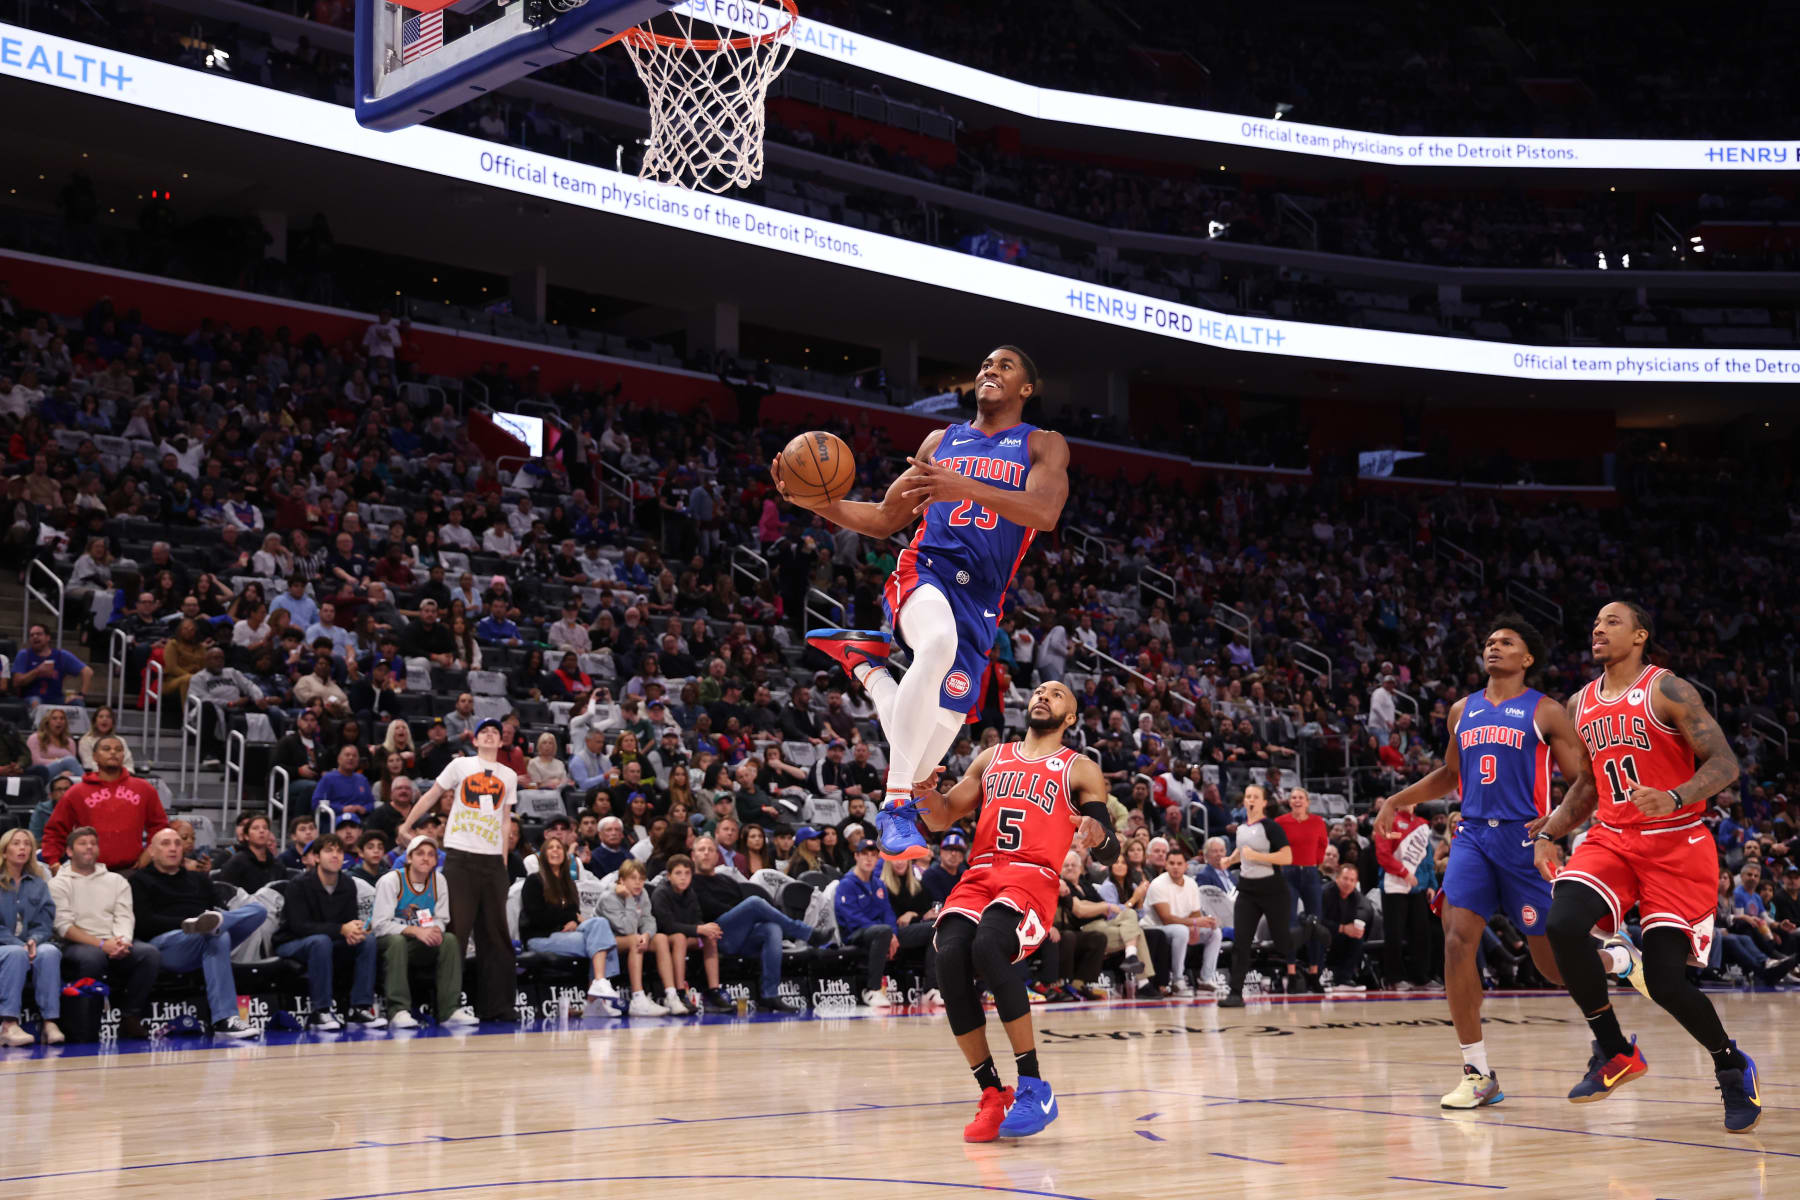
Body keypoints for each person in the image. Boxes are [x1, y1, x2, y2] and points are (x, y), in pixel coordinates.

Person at [781, 347, 1070, 863]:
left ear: (1027, 389)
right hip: (927, 570)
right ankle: (893, 809)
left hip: (982, 599)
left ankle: (868, 668)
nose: (988, 370)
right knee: (935, 645)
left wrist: (965, 486)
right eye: (983, 363)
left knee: (922, 754)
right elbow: (884, 517)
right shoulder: (941, 441)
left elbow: (1045, 512)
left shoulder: (1042, 445)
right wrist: (813, 501)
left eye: (1004, 366)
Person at [1375, 615, 1626, 1109]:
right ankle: (1478, 1072)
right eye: (1490, 642)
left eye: (1506, 642)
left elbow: (1583, 784)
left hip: (1524, 840)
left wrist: (1556, 828)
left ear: (1527, 658)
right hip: (1471, 838)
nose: (1494, 647)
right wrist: (1397, 800)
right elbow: (1450, 774)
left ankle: (1615, 958)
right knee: (1455, 943)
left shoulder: (1548, 711)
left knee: (1552, 968)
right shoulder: (1460, 711)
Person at [1533, 601, 1764, 1132]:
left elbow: (1725, 762)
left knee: (1664, 982)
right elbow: (1588, 787)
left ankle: (1731, 1064)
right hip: (1613, 838)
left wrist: (1677, 795)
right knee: (1563, 923)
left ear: (1639, 636)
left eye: (1611, 621)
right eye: (1594, 621)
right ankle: (1614, 1050)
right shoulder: (1580, 703)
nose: (1597, 627)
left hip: (1676, 844)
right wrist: (1549, 832)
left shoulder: (1668, 689)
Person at [913, 680, 1119, 1142]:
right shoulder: (991, 758)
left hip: (1032, 877)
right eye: (1040, 690)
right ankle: (992, 1092)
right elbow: (941, 817)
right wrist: (924, 790)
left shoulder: (1080, 768)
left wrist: (1095, 832)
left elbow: (1107, 843)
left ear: (1070, 718)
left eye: (1057, 694)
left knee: (990, 944)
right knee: (948, 956)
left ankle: (1034, 1085)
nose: (1043, 695)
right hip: (980, 872)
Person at [399, 717, 518, 1023]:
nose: (490, 735)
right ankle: (448, 1006)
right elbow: (431, 795)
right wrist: (408, 824)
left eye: (495, 732)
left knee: (497, 936)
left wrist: (503, 860)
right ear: (475, 740)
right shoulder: (461, 765)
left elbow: (506, 820)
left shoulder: (509, 774)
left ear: (502, 741)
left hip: (492, 862)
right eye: (484, 732)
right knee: (457, 933)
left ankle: (499, 1007)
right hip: (460, 857)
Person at [130, 828, 262, 1038]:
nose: (173, 848)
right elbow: (144, 924)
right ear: (152, 852)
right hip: (168, 944)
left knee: (258, 911)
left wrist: (213, 922)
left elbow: (218, 907)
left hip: (207, 936)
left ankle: (209, 925)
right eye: (165, 843)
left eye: (177, 843)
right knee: (217, 933)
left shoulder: (199, 879)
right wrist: (186, 924)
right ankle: (225, 1019)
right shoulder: (139, 881)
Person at [50, 826, 162, 1039]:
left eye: (93, 843)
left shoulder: (116, 881)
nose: (89, 847)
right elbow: (63, 926)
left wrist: (122, 942)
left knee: (149, 954)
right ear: (70, 851)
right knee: (91, 957)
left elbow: (124, 916)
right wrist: (101, 944)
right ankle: (86, 1025)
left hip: (114, 940)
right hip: (76, 944)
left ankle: (131, 1016)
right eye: (83, 843)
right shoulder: (58, 883)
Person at [688, 836, 815, 1013]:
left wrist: (742, 915)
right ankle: (805, 933)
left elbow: (740, 909)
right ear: (693, 856)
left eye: (710, 850)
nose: (706, 853)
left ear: (717, 856)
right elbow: (709, 909)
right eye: (702, 850)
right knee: (754, 903)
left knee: (772, 928)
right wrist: (742, 913)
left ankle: (769, 995)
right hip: (714, 938)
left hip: (740, 936)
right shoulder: (691, 883)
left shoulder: (728, 881)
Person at [274, 833, 386, 1030]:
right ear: (316, 857)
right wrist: (342, 929)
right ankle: (321, 1011)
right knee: (320, 941)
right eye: (328, 851)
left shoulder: (348, 884)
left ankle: (360, 1008)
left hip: (328, 940)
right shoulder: (298, 884)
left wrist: (355, 931)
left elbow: (348, 923)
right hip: (291, 942)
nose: (335, 856)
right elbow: (299, 926)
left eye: (339, 851)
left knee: (367, 941)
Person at [373, 834, 476, 1028]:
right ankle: (399, 1010)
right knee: (397, 942)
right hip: (385, 944)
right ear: (409, 858)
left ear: (436, 860)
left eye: (431, 854)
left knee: (449, 940)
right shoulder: (391, 881)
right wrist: (415, 930)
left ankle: (449, 1011)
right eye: (420, 853)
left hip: (416, 944)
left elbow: (442, 918)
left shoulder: (439, 880)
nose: (426, 858)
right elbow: (380, 925)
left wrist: (435, 930)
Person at [520, 833, 624, 1010]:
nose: (555, 851)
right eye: (551, 848)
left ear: (565, 854)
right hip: (540, 937)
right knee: (604, 943)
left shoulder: (568, 883)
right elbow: (538, 916)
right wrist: (568, 919)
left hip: (566, 935)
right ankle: (596, 997)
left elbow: (574, 912)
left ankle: (598, 985)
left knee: (599, 924)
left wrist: (574, 921)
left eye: (559, 847)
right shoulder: (534, 881)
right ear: (543, 854)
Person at [1216, 784, 1296, 1006]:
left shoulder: (1271, 827)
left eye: (1255, 797)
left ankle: (1309, 929)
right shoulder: (1241, 828)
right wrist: (1229, 860)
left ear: (1263, 802)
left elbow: (1287, 857)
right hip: (1248, 892)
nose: (1251, 800)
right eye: (1248, 796)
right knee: (1241, 942)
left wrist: (1259, 857)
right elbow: (1242, 852)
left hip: (1273, 890)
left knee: (1282, 942)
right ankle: (1235, 993)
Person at [39, 735, 169, 870]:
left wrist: (149, 853)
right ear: (94, 756)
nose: (113, 752)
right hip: (88, 871)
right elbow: (55, 831)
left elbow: (160, 827)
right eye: (106, 749)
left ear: (123, 756)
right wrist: (53, 861)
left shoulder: (144, 789)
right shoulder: (76, 792)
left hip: (132, 871)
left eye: (118, 749)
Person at [0, 829, 61, 1046]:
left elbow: (46, 920)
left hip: (30, 943)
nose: (23, 848)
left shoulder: (38, 883)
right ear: (5, 851)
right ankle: (8, 1024)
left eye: (27, 844)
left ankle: (49, 1023)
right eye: (16, 843)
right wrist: (20, 944)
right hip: (5, 945)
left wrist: (34, 939)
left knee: (50, 952)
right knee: (16, 954)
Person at [597, 859, 673, 1016]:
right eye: (633, 878)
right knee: (634, 940)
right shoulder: (608, 897)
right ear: (622, 880)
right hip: (603, 941)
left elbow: (648, 919)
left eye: (641, 879)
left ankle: (671, 995)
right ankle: (638, 998)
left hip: (629, 937)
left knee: (660, 939)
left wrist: (646, 935)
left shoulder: (643, 893)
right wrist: (629, 899)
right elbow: (627, 929)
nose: (638, 883)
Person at [1143, 845, 1219, 993]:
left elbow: (1195, 914)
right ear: (1166, 865)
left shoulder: (1191, 883)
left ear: (1186, 866)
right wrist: (1195, 923)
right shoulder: (1158, 884)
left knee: (1215, 932)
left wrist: (1202, 923)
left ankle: (1206, 979)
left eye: (1179, 864)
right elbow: (1166, 919)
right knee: (1181, 931)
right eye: (1171, 863)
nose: (1175, 867)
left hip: (1181, 925)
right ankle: (1178, 979)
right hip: (1155, 927)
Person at [1276, 786, 1329, 992]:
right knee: (1290, 922)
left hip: (1310, 872)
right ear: (1289, 802)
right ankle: (1291, 972)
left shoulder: (1317, 822)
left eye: (1301, 797)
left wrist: (1313, 862)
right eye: (1293, 797)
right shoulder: (1281, 822)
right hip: (1288, 873)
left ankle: (1314, 973)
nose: (1297, 800)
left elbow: (1323, 845)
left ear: (1307, 802)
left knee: (1315, 923)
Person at [1316, 862, 1375, 992]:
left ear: (1356, 883)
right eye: (1345, 878)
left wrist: (1358, 926)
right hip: (1321, 934)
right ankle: (1317, 978)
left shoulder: (1356, 897)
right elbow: (1317, 921)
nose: (1348, 883)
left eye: (1352, 880)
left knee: (1357, 937)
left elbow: (1366, 909)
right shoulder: (1325, 893)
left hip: (1340, 937)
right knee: (1320, 934)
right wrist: (1342, 928)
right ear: (1337, 878)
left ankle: (1344, 979)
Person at [12, 622, 92, 706]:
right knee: (36, 701)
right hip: (31, 697)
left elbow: (88, 671)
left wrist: (81, 695)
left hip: (56, 698)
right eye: (31, 635)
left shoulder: (61, 655)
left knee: (77, 702)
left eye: (39, 634)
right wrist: (37, 671)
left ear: (48, 637)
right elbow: (16, 682)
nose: (35, 637)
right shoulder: (24, 654)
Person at [217, 814, 286, 893]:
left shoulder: (277, 864)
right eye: (255, 828)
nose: (261, 831)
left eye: (265, 828)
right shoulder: (236, 862)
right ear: (246, 836)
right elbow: (226, 892)